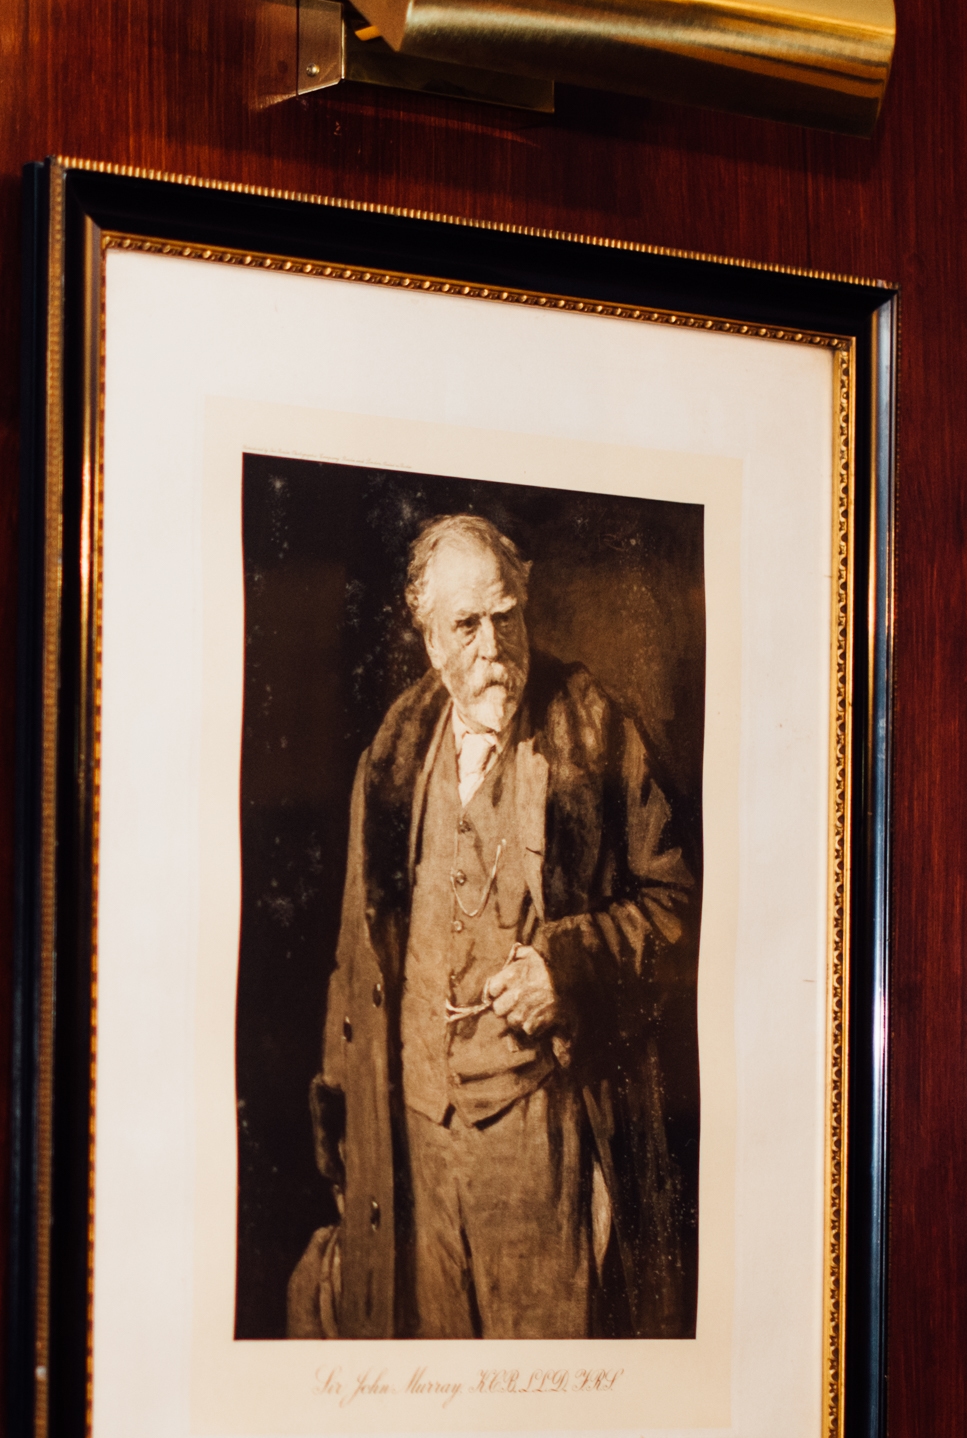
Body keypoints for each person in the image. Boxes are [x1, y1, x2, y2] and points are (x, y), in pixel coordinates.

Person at [288, 513, 698, 1341]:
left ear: (527, 604)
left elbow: (679, 908)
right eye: (466, 625)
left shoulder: (596, 731)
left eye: (505, 616)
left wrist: (569, 968)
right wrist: (346, 1130)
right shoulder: (398, 749)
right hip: (413, 1145)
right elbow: (351, 957)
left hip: (538, 1139)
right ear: (427, 634)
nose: (491, 648)